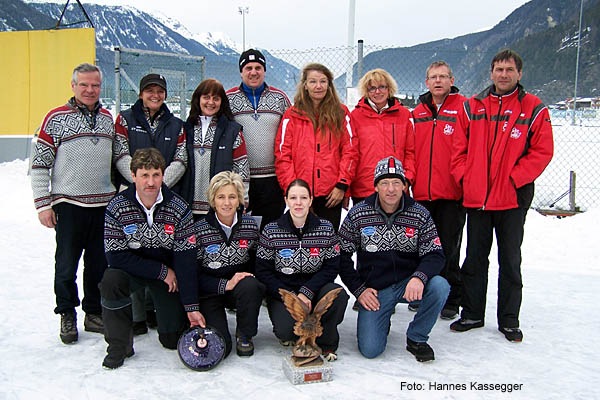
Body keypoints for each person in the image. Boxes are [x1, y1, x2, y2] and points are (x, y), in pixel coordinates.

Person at [450, 49, 553, 342]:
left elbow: (542, 152)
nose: (504, 75)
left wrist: (513, 179)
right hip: (478, 198)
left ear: (519, 74)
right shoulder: (473, 106)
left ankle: (509, 319)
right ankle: (471, 313)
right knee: (474, 258)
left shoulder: (534, 108)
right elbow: (458, 149)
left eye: (509, 70)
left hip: (512, 198)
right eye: (499, 69)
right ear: (491, 73)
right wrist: (465, 178)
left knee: (510, 259)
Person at [30, 63, 115, 344]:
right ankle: (67, 312)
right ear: (73, 86)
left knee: (98, 264)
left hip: (102, 204)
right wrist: (43, 204)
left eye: (95, 85)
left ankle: (93, 312)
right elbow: (40, 164)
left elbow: (116, 161)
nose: (90, 90)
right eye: (84, 85)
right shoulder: (55, 119)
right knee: (66, 263)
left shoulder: (106, 119)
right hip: (68, 204)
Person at [100, 148, 205, 369]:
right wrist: (161, 271)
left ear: (163, 175)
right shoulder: (116, 206)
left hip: (168, 278)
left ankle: (168, 323)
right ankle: (119, 345)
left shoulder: (179, 208)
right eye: (144, 175)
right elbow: (115, 256)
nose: (150, 182)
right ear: (133, 175)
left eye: (156, 174)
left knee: (171, 340)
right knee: (110, 280)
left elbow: (186, 260)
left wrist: (191, 307)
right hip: (135, 271)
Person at [338, 157, 449, 362]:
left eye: (397, 183)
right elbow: (340, 256)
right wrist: (359, 290)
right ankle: (382, 320)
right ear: (376, 186)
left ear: (404, 186)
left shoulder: (420, 213)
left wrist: (419, 277)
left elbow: (435, 253)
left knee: (440, 285)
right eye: (385, 183)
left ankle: (417, 337)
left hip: (409, 284)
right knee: (371, 350)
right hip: (376, 291)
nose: (391, 189)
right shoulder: (359, 214)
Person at [113, 73, 188, 335]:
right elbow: (120, 153)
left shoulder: (176, 124)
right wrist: (139, 183)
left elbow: (181, 158)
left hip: (164, 196)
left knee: (158, 248)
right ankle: (136, 316)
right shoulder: (125, 119)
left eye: (160, 91)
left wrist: (158, 184)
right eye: (149, 90)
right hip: (133, 193)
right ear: (141, 93)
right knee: (135, 249)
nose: (155, 95)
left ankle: (156, 308)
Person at [255, 179, 349, 361]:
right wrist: (291, 296)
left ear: (311, 200)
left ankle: (327, 343)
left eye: (303, 197)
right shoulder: (271, 230)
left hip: (315, 288)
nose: (298, 203)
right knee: (286, 331)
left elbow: (332, 266)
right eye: (293, 198)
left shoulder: (325, 228)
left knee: (339, 296)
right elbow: (263, 271)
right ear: (286, 200)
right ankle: (297, 334)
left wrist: (307, 292)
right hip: (284, 291)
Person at [411, 61, 467, 320]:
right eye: (433, 77)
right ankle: (423, 293)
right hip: (422, 192)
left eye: (443, 77)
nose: (438, 81)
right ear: (426, 82)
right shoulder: (418, 111)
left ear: (451, 79)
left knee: (448, 246)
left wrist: (463, 180)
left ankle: (451, 298)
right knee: (422, 246)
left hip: (451, 192)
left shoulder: (464, 108)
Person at [275, 63, 357, 231]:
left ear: (329, 85)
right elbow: (283, 155)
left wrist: (342, 185)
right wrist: (294, 191)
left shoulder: (341, 114)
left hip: (330, 194)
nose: (318, 86)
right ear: (305, 85)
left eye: (323, 81)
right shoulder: (292, 115)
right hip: (301, 195)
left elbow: (350, 151)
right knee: (302, 243)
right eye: (313, 81)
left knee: (327, 241)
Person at [195, 171, 265, 357]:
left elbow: (259, 262)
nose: (227, 203)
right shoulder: (199, 230)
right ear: (212, 200)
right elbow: (192, 274)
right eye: (221, 197)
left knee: (251, 285)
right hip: (210, 292)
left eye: (232, 197)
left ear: (239, 200)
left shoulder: (250, 226)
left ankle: (245, 334)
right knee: (220, 348)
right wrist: (225, 284)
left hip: (238, 289)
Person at [227, 49, 291, 229]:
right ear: (241, 71)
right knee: (243, 229)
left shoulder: (280, 98)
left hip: (273, 179)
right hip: (240, 178)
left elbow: (290, 133)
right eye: (248, 68)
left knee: (272, 228)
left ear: (264, 71)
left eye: (258, 67)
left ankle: (269, 258)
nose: (253, 72)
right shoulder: (229, 99)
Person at [182, 79, 249, 217]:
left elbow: (242, 168)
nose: (211, 102)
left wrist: (243, 200)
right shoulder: (185, 129)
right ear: (198, 99)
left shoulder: (233, 131)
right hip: (187, 205)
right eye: (206, 97)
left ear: (222, 102)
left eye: (216, 98)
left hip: (220, 208)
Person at [350, 68, 415, 204]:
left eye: (382, 87)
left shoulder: (404, 115)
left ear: (389, 88)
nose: (377, 92)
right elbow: (351, 154)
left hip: (396, 189)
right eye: (372, 88)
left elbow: (411, 152)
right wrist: (348, 188)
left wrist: (407, 179)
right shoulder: (355, 116)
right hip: (364, 189)